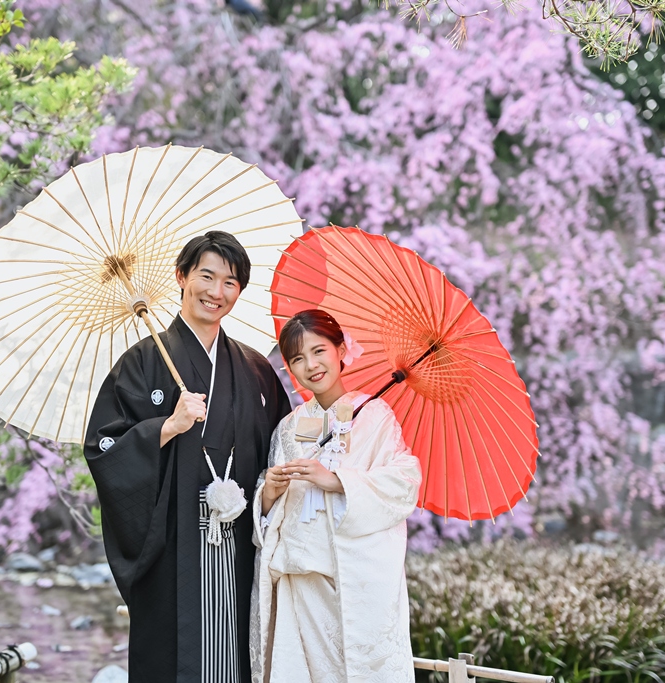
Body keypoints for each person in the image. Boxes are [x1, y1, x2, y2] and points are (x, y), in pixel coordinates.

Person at [84, 231, 291, 683]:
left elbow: (280, 445)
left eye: (231, 283)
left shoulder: (256, 369)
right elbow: (103, 448)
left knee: (238, 658)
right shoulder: (140, 363)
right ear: (182, 276)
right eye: (207, 276)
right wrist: (166, 426)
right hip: (173, 542)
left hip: (241, 543)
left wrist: (270, 494)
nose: (217, 293)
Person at [250, 309, 422, 683]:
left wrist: (337, 481)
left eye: (319, 351)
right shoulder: (289, 427)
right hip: (301, 581)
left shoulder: (375, 415)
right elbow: (269, 511)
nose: (310, 365)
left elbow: (404, 482)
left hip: (354, 579)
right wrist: (269, 494)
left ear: (341, 349)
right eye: (297, 358)